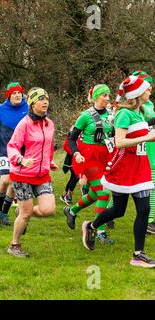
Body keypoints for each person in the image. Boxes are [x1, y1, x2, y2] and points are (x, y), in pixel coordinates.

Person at [82, 76, 155, 268]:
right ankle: (91, 226)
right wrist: (147, 138)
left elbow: (141, 133)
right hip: (123, 167)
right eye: (147, 89)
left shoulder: (140, 113)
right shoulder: (124, 114)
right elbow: (119, 142)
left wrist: (147, 135)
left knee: (144, 209)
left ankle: (138, 254)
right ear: (138, 94)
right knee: (119, 210)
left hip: (139, 166)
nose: (150, 92)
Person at [7, 88, 58, 257]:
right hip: (22, 175)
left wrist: (50, 161)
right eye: (41, 99)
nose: (45, 102)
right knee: (26, 213)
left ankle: (21, 213)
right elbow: (12, 146)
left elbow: (48, 146)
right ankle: (14, 245)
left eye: (47, 98)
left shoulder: (49, 124)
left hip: (42, 174)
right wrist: (21, 160)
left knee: (48, 209)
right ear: (32, 103)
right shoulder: (24, 124)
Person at [63, 84, 114, 244]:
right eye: (104, 95)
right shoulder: (86, 116)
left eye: (108, 96)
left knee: (94, 194)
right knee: (104, 192)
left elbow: (112, 137)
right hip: (88, 158)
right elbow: (71, 139)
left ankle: (72, 210)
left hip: (104, 157)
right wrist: (76, 153)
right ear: (96, 97)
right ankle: (99, 231)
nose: (107, 99)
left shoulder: (111, 115)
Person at [0, 82, 28, 227]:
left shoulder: (28, 107)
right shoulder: (0, 109)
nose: (17, 95)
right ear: (9, 96)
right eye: (14, 93)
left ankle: (5, 212)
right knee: (5, 180)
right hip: (5, 150)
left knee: (14, 183)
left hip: (23, 153)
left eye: (19, 93)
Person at [131, 71, 155, 235]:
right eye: (147, 85)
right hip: (139, 148)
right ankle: (150, 222)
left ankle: (151, 221)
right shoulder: (133, 106)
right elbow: (138, 126)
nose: (151, 88)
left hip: (151, 146)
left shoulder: (150, 104)